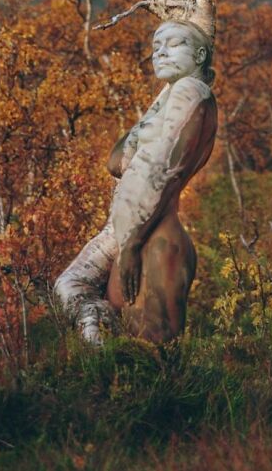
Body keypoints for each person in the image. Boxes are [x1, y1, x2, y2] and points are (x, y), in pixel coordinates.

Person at [54, 20, 218, 344]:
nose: (161, 53)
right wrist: (156, 106)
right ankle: (97, 335)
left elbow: (169, 171)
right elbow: (116, 163)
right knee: (69, 284)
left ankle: (103, 357)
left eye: (173, 44)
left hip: (143, 228)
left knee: (145, 338)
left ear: (199, 54)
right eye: (156, 47)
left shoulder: (193, 91)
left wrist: (133, 244)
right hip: (122, 230)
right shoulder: (172, 94)